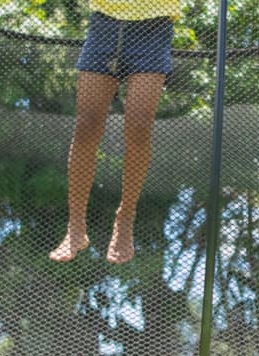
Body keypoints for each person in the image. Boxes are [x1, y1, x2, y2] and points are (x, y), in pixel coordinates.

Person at [49, 1, 181, 264]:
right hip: (104, 24)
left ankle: (125, 216)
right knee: (86, 124)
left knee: (140, 126)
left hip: (154, 28)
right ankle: (75, 227)